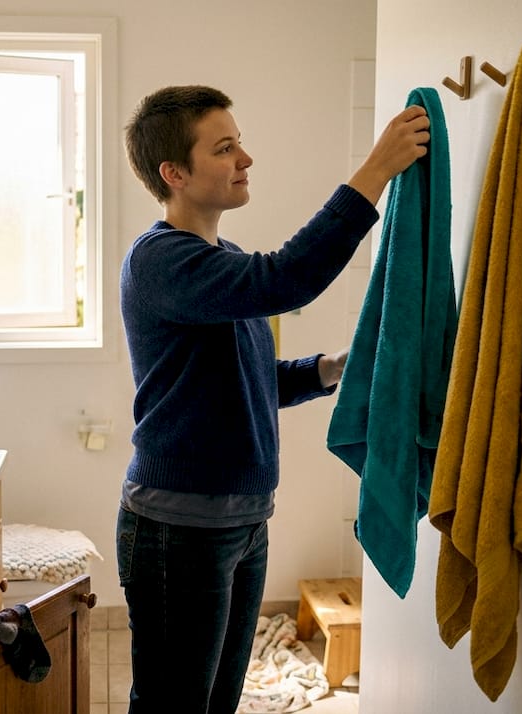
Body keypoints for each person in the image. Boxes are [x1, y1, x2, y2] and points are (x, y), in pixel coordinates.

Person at [117, 85, 430, 712]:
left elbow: (254, 377)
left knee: (218, 701)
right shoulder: (160, 261)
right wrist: (375, 172)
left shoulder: (221, 260)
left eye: (240, 142)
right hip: (179, 531)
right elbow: (288, 277)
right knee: (172, 705)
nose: (246, 159)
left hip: (243, 521)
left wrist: (331, 369)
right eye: (225, 147)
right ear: (173, 173)